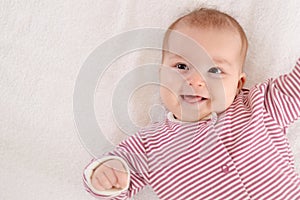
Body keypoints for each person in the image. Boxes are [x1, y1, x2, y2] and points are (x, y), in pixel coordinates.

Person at [83, 7, 300, 199]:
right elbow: (115, 177)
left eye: (215, 70)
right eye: (181, 66)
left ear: (237, 84)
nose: (195, 81)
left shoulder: (260, 105)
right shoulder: (150, 145)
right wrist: (104, 174)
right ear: (160, 75)